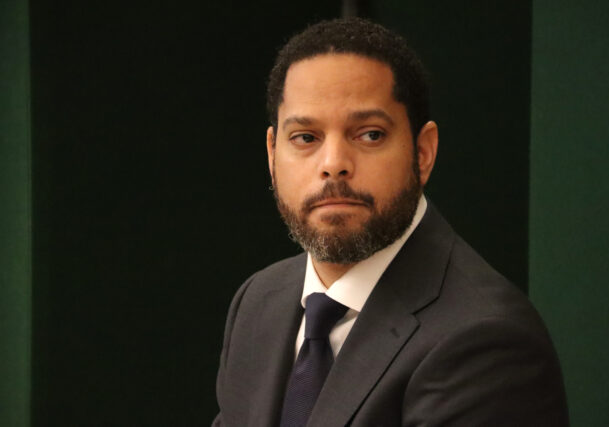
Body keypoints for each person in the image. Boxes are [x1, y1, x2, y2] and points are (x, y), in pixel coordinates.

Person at [213, 17, 568, 427]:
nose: (333, 164)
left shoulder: (487, 340)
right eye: (306, 137)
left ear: (423, 153)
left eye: (370, 135)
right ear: (272, 155)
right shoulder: (258, 302)